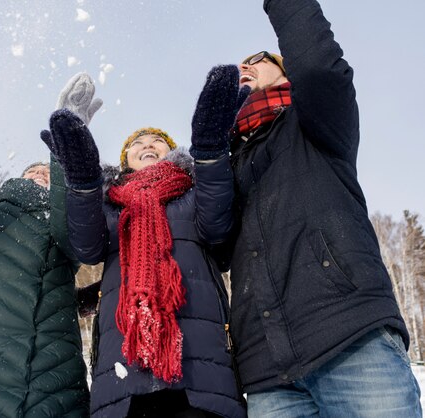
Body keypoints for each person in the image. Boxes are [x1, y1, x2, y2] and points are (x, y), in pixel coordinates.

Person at [226, 0, 422, 416]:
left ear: (285, 69)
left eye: (256, 60)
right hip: (265, 371)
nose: (243, 67)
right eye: (237, 67)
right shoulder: (231, 161)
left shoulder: (314, 122)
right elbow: (214, 240)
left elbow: (318, 68)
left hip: (350, 336)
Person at [42, 66, 249, 418]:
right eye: (137, 143)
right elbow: (87, 247)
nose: (147, 145)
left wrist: (211, 152)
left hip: (199, 375)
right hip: (123, 376)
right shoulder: (111, 203)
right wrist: (83, 183)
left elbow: (217, 227)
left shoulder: (192, 190)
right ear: (126, 161)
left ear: (173, 153)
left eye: (157, 141)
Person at [0, 76, 98, 417]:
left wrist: (65, 150)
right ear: (17, 182)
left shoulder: (65, 225)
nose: (40, 175)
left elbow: (74, 234)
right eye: (33, 172)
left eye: (47, 172)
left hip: (57, 386)